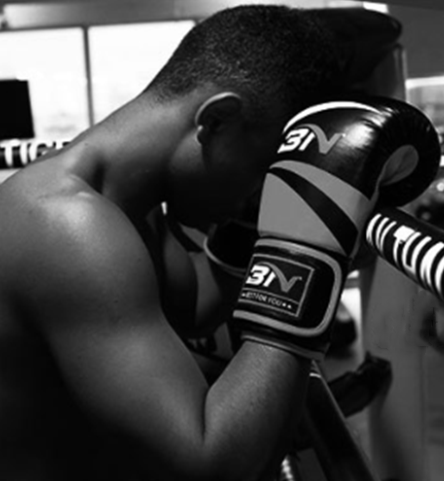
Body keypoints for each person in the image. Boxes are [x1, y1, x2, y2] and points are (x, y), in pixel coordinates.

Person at [0, 5, 343, 481]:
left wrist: (257, 229)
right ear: (216, 120)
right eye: (265, 169)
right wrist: (309, 250)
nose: (262, 193)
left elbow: (193, 304)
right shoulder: (69, 224)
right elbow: (211, 467)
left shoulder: (129, 199)